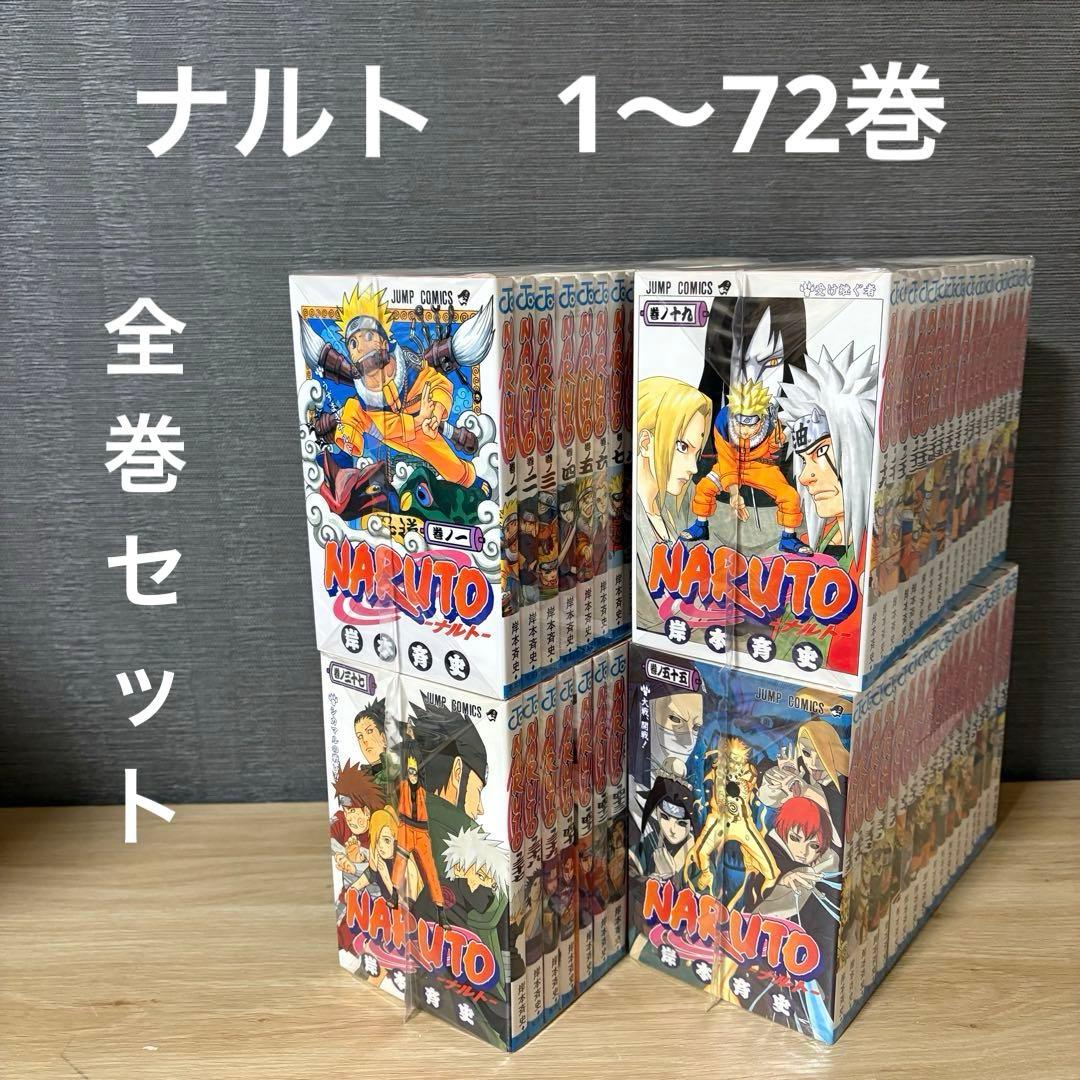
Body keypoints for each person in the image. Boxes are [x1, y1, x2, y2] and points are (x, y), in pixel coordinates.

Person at [635, 376, 711, 633]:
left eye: (696, 453)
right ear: (646, 443)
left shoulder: (676, 506)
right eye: (682, 447)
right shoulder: (631, 518)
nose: (693, 467)